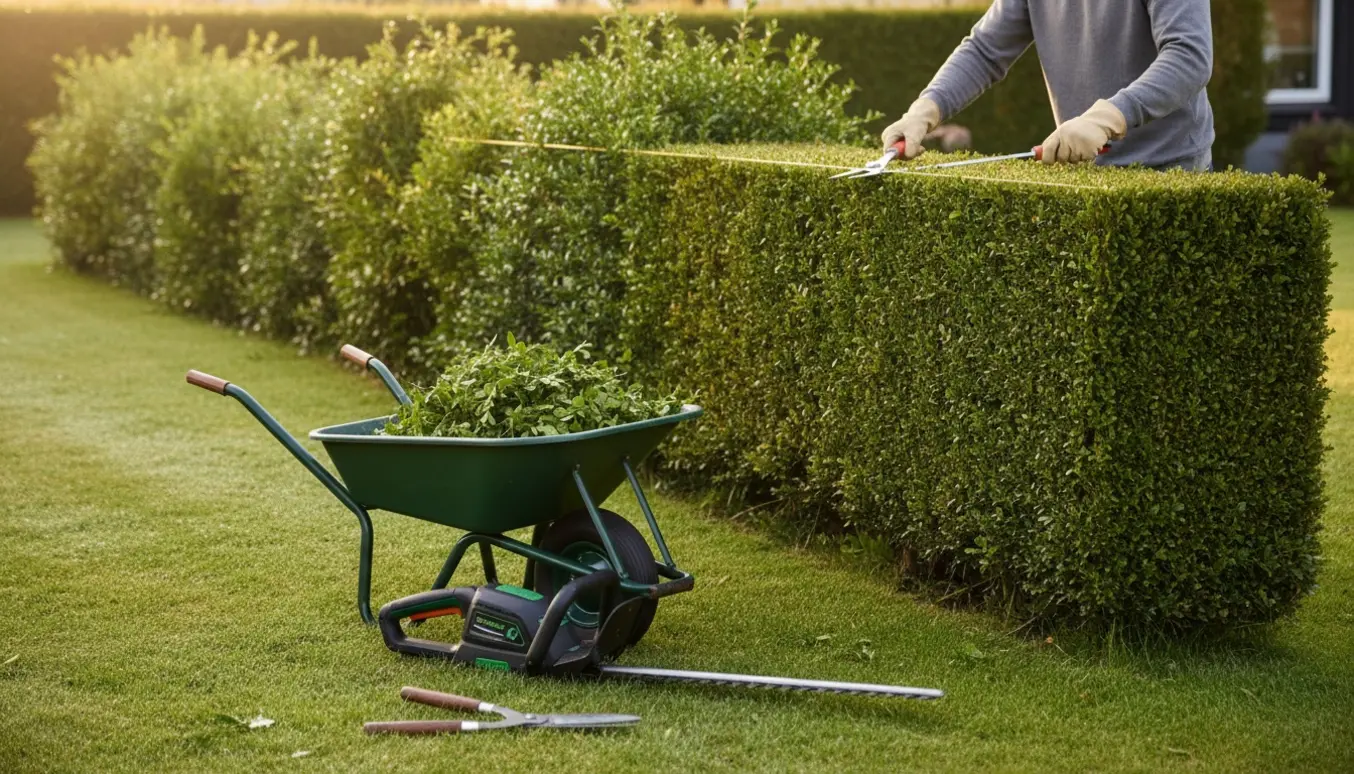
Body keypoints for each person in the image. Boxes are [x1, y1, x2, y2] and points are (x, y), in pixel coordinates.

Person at [882, 0, 1215, 171]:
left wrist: (1109, 116)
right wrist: (924, 111)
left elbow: (1189, 56)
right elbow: (984, 51)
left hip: (1172, 167)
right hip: (1087, 169)